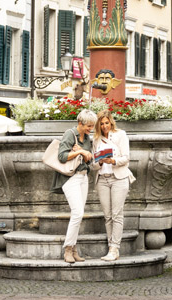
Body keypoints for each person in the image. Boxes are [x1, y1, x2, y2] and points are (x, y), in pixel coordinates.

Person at [50, 109, 95, 263]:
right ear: (80, 123)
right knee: (77, 213)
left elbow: (88, 159)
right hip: (71, 178)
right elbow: (62, 156)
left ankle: (74, 248)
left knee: (79, 215)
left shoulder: (87, 138)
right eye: (88, 126)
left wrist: (84, 153)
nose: (91, 129)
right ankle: (68, 249)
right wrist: (80, 152)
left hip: (83, 177)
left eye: (92, 126)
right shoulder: (70, 134)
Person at [92, 110, 134, 262]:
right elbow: (93, 165)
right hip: (102, 178)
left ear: (111, 122)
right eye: (101, 124)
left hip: (119, 178)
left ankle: (114, 248)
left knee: (117, 214)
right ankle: (111, 247)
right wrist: (100, 162)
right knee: (107, 216)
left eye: (106, 123)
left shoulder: (121, 135)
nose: (104, 126)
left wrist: (113, 161)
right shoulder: (96, 140)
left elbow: (126, 158)